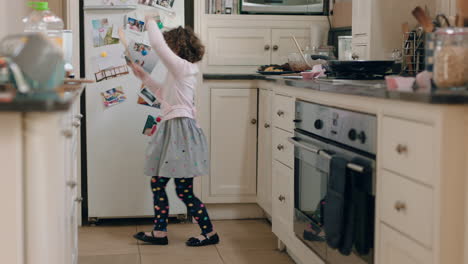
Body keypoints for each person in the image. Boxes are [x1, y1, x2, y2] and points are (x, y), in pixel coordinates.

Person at [129, 16, 218, 247]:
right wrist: (144, 77)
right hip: (173, 130)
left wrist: (150, 22)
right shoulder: (178, 72)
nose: (165, 49)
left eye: (170, 45)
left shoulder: (184, 68)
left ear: (178, 46)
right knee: (160, 183)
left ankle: (209, 233)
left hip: (180, 132)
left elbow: (157, 45)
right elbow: (163, 93)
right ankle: (160, 233)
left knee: (183, 190)